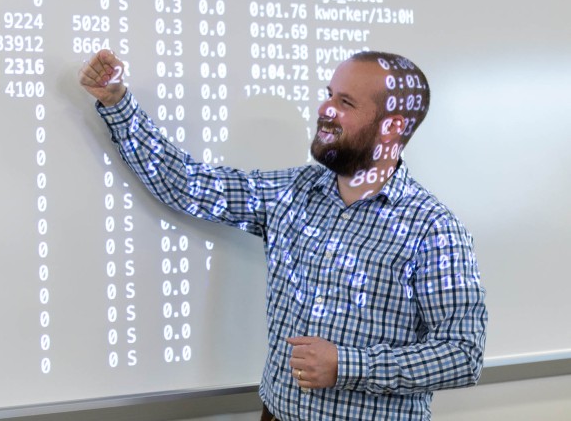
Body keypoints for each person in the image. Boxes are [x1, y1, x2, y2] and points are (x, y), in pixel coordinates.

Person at [79, 49, 488, 420]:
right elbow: (190, 186)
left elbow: (463, 355)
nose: (325, 109)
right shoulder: (293, 193)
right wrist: (117, 103)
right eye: (329, 94)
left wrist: (348, 366)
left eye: (345, 102)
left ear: (392, 125)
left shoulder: (433, 229)